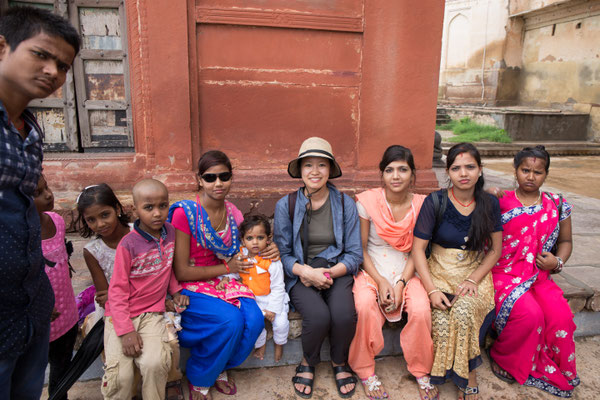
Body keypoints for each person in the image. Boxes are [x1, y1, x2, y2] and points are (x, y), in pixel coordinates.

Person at [0, 6, 79, 399]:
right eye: (41, 54)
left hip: (30, 305)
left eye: (63, 66)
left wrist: (39, 293)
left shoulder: (30, 131)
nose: (53, 71)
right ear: (2, 47)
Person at [169, 150, 276, 400]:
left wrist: (272, 248)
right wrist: (227, 269)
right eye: (210, 177)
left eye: (224, 176)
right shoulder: (185, 214)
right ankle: (200, 376)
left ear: (231, 178)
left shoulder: (233, 214)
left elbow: (249, 244)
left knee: (255, 320)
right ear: (199, 180)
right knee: (230, 321)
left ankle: (219, 365)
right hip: (191, 283)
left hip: (223, 280)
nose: (218, 183)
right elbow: (182, 270)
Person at [412, 143, 502, 400]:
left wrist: (474, 278)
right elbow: (418, 250)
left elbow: (495, 250)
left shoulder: (489, 203)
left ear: (480, 169)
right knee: (441, 320)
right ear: (447, 172)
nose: (463, 173)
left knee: (463, 313)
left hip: (473, 273)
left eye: (470, 167)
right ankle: (446, 372)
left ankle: (468, 375)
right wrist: (431, 290)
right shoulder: (435, 201)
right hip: (438, 272)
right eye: (456, 168)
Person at [274, 137, 362, 399]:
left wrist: (329, 273)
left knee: (344, 315)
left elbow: (354, 253)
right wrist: (306, 272)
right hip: (301, 273)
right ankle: (308, 361)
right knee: (319, 316)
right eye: (308, 165)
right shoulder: (286, 205)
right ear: (300, 170)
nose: (315, 171)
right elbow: (283, 254)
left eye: (322, 165)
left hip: (336, 269)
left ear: (330, 169)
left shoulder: (345, 204)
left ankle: (339, 361)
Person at [77, 182, 184, 398]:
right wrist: (126, 331)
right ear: (135, 209)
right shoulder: (128, 244)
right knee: (121, 377)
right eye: (148, 207)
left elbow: (166, 265)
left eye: (163, 206)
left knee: (155, 363)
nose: (157, 213)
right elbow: (115, 293)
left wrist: (176, 291)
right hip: (120, 313)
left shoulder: (169, 232)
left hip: (151, 312)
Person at [488, 145, 578, 398]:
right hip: (504, 274)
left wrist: (557, 262)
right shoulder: (500, 200)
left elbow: (566, 242)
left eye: (537, 172)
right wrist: (485, 193)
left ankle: (552, 363)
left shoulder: (557, 204)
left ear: (546, 174)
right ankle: (503, 356)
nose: (530, 177)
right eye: (525, 170)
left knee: (561, 317)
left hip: (539, 276)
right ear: (515, 170)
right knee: (530, 315)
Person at [348, 145, 437, 400]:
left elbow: (417, 251)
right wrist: (380, 281)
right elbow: (361, 249)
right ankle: (365, 369)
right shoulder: (367, 202)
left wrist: (400, 283)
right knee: (365, 305)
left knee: (420, 309)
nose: (395, 176)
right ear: (382, 174)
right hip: (372, 268)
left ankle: (421, 370)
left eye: (402, 170)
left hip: (409, 267)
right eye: (389, 170)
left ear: (412, 174)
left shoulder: (422, 205)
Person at [33, 174, 78, 400]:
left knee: (62, 368)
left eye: (47, 188)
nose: (48, 195)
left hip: (67, 313)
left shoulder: (57, 221)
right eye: (37, 193)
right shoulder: (19, 237)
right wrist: (39, 305)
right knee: (33, 371)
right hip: (39, 320)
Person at [77, 183, 131, 328]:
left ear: (117, 209)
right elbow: (104, 296)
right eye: (91, 220)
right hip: (115, 309)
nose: (100, 224)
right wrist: (113, 298)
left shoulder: (138, 233)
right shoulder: (92, 251)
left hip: (148, 300)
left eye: (105, 215)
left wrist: (116, 296)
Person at [236, 214, 290, 362]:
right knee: (254, 322)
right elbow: (234, 272)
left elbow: (278, 287)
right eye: (249, 238)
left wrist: (272, 309)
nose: (255, 242)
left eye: (260, 237)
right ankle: (261, 344)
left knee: (281, 324)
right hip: (253, 300)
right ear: (243, 240)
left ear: (268, 238)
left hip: (273, 298)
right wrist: (226, 278)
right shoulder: (241, 256)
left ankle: (279, 344)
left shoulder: (272, 261)